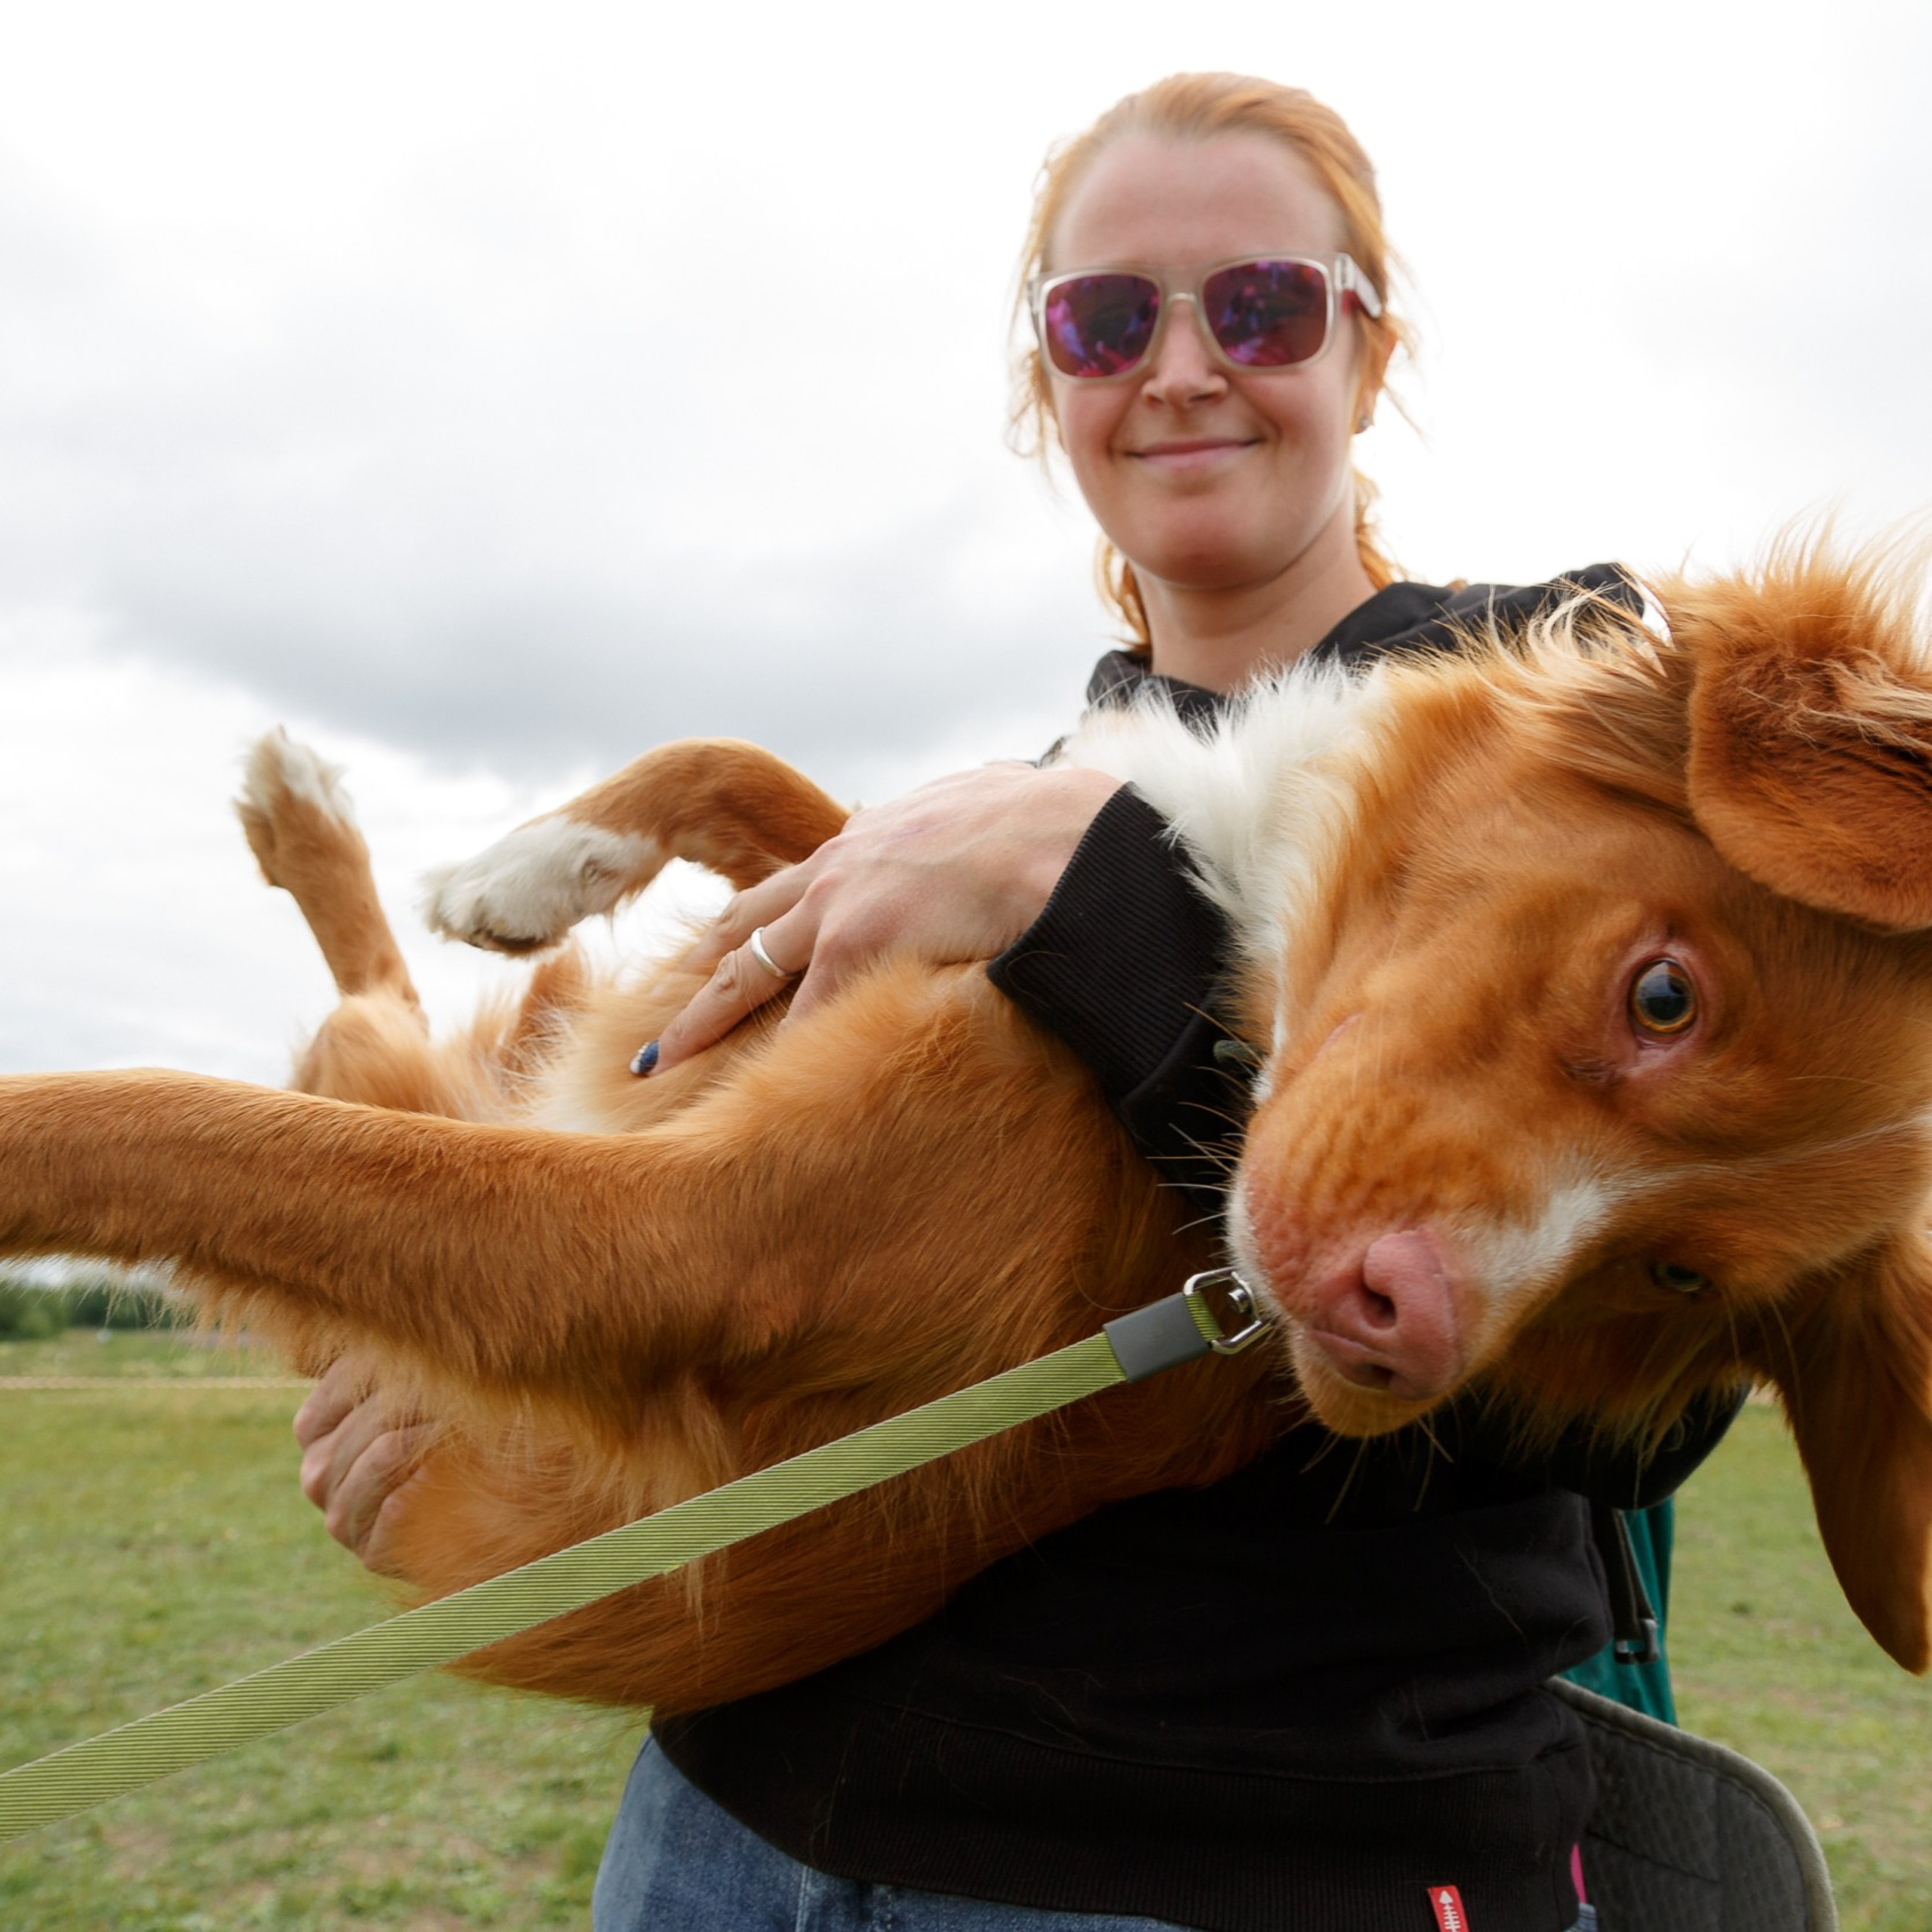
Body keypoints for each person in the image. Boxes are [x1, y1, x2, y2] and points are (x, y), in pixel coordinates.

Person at [297, 72, 1737, 1931]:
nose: (1181, 369)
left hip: (1243, 1855)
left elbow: (1643, 1400)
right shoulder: (1012, 797)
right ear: (1045, 380)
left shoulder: (1557, 709)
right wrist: (457, 1382)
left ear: (1367, 349)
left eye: (1260, 306)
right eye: (1106, 320)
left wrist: (1099, 888)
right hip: (729, 1820)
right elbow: (752, 1250)